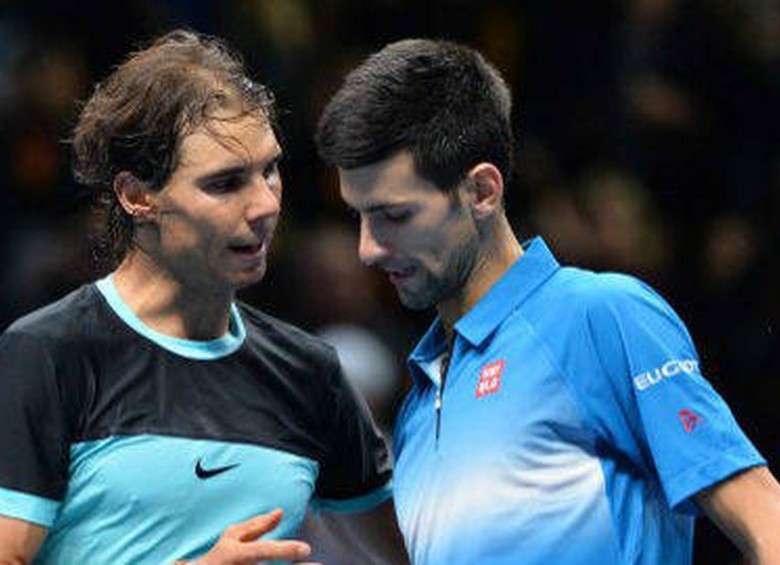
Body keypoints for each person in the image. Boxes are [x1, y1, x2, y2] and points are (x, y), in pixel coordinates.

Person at [315, 38, 780, 564]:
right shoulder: (418, 409)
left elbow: (767, 522)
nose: (368, 249)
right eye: (359, 216)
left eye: (394, 216)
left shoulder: (601, 316)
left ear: (482, 192)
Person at [0, 29, 406, 565]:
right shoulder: (48, 354)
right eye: (225, 183)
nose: (265, 206)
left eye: (270, 169)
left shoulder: (310, 374)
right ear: (137, 196)